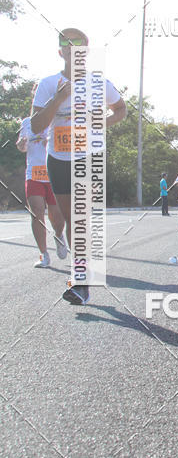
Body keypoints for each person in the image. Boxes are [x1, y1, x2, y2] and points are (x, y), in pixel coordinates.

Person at [30, 28, 126, 304]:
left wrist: (100, 123)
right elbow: (37, 126)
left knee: (80, 218)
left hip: (88, 157)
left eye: (79, 45)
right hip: (58, 159)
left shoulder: (99, 84)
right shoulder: (49, 84)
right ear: (61, 52)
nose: (73, 49)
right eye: (67, 45)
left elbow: (121, 109)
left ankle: (80, 283)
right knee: (71, 219)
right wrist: (58, 100)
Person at [16, 115, 68, 268]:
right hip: (33, 175)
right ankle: (44, 254)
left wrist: (52, 143)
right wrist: (22, 144)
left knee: (58, 219)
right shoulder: (27, 122)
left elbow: (68, 146)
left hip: (54, 174)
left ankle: (59, 235)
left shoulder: (58, 119)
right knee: (36, 212)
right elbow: (22, 147)